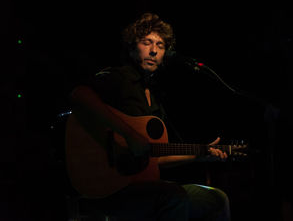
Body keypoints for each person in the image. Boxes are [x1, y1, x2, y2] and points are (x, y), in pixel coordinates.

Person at [68, 12, 231, 221]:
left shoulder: (154, 96)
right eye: (147, 42)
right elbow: (79, 95)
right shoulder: (119, 77)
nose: (153, 51)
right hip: (109, 188)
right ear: (132, 47)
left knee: (216, 199)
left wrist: (199, 154)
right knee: (173, 195)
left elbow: (156, 157)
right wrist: (128, 134)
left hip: (141, 187)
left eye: (161, 46)